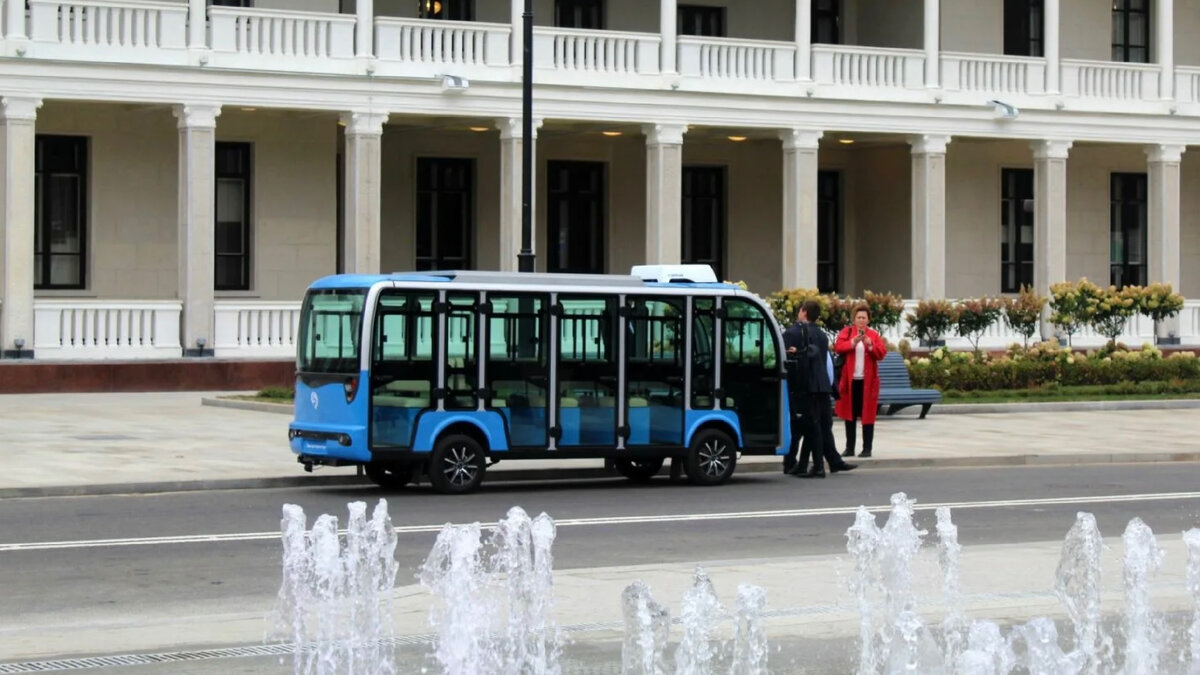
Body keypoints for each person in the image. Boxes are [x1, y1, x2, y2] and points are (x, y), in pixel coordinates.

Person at [783, 300, 856, 478]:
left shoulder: (798, 332)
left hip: (807, 387)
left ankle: (811, 466)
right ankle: (808, 464)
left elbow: (807, 356)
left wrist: (796, 353)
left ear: (804, 312)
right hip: (821, 387)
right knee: (813, 427)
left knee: (810, 426)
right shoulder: (822, 334)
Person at [834, 303, 888, 458]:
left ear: (868, 320)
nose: (861, 320)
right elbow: (839, 347)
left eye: (864, 318)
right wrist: (853, 342)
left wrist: (870, 345)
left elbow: (881, 354)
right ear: (854, 319)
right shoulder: (847, 332)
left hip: (867, 382)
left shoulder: (873, 335)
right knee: (849, 415)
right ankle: (849, 447)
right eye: (859, 317)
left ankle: (867, 448)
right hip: (851, 382)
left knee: (867, 416)